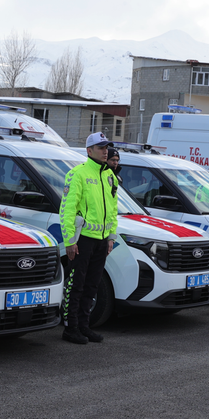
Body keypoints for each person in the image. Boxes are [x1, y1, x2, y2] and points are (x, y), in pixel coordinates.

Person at [59, 132, 118, 344]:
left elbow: (113, 209)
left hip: (101, 240)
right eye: (101, 147)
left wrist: (111, 237)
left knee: (92, 285)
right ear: (89, 151)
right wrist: (70, 241)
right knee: (76, 285)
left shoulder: (109, 176)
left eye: (106, 147)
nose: (105, 151)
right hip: (82, 239)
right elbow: (67, 210)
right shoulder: (78, 174)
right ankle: (70, 328)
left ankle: (84, 326)